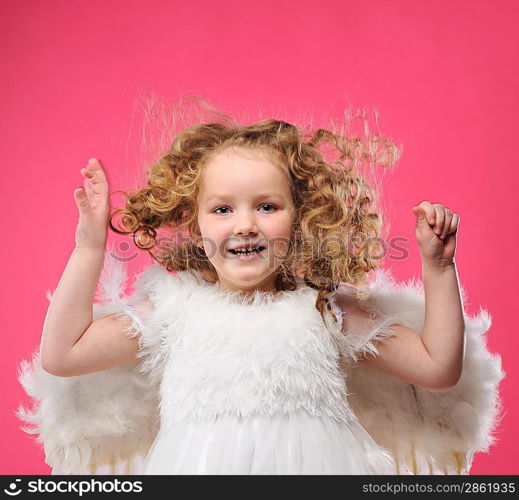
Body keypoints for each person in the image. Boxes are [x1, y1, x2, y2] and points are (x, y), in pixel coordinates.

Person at [16, 113, 504, 475]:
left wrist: (440, 267)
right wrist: (88, 246)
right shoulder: (172, 310)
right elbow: (63, 354)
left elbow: (439, 370)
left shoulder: (324, 310)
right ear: (194, 221)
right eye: (222, 209)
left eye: (267, 206)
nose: (245, 223)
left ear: (302, 216)